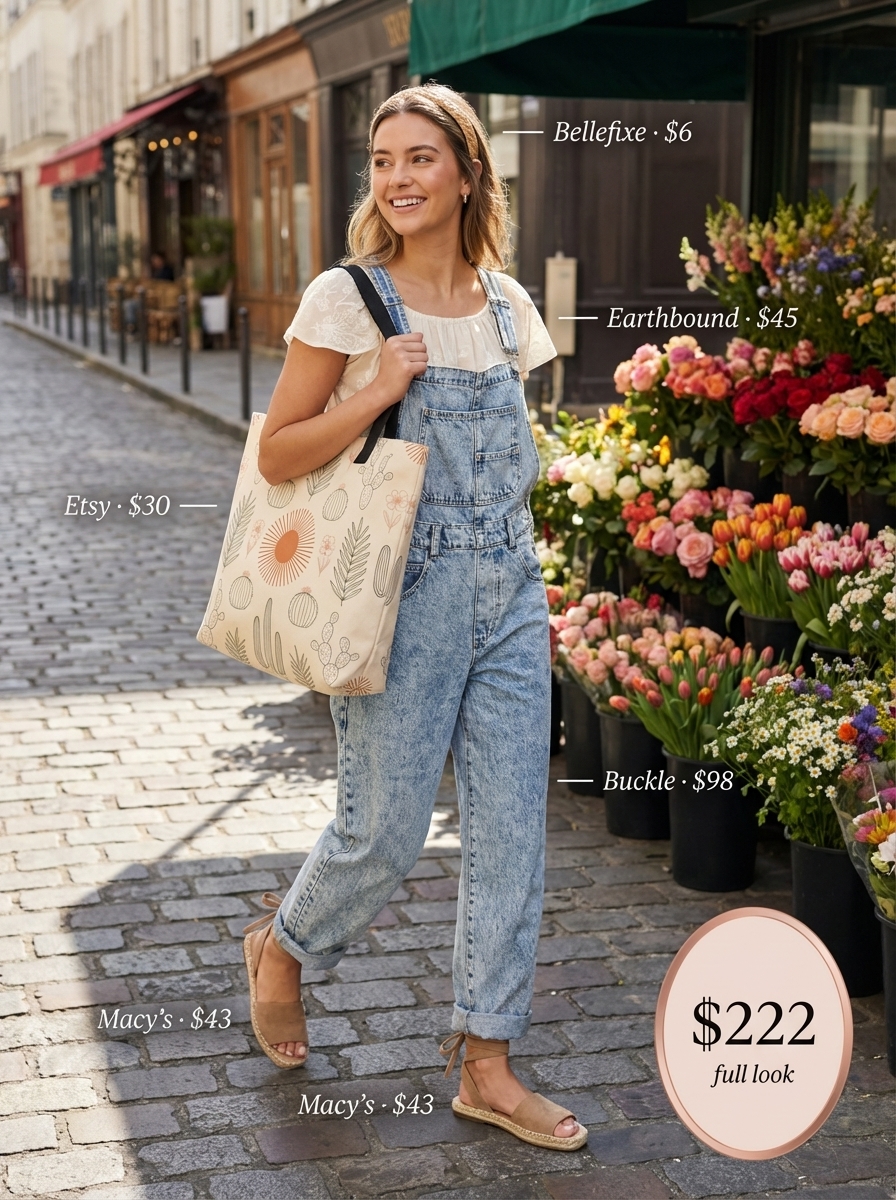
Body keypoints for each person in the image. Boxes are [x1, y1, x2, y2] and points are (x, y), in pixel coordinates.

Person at [246, 83, 586, 1151]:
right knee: (384, 832)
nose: (397, 177)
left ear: (468, 173)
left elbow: (509, 459)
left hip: (510, 589)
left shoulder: (507, 308)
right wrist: (374, 389)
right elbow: (278, 453)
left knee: (510, 833)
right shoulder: (348, 300)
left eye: (420, 158)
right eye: (383, 160)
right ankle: (285, 946)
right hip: (403, 594)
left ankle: (486, 1061)